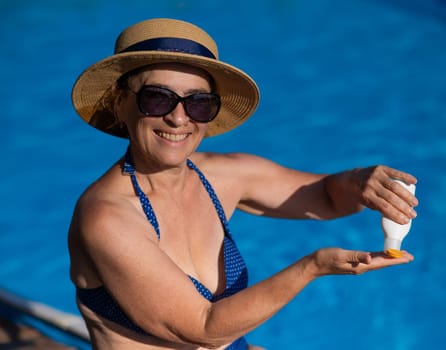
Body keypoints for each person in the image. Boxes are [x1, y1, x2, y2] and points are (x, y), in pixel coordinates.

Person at [67, 18, 418, 350]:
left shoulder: (225, 176)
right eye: (157, 98)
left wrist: (360, 182)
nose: (178, 117)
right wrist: (313, 267)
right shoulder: (107, 216)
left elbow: (326, 199)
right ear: (121, 102)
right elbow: (201, 327)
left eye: (198, 103)